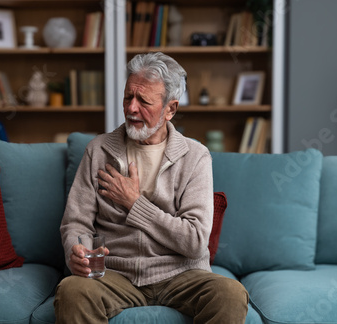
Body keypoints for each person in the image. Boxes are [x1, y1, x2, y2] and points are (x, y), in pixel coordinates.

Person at [54, 52, 248, 323]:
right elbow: (76, 223)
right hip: (114, 274)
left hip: (181, 274)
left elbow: (194, 241)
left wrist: (134, 204)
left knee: (230, 294)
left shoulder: (196, 157)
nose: (131, 108)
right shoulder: (97, 150)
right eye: (127, 97)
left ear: (171, 109)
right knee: (71, 291)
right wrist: (76, 251)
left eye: (143, 101)